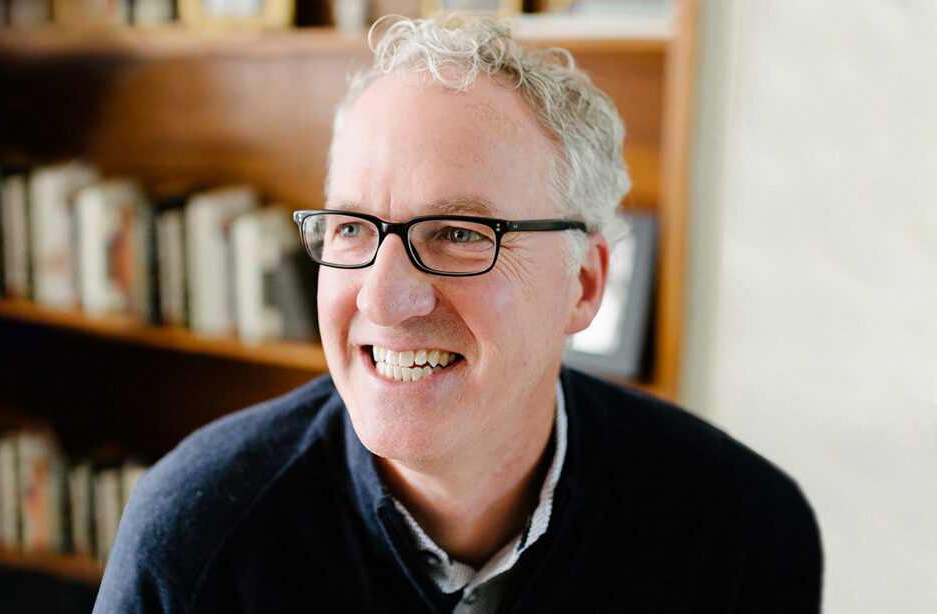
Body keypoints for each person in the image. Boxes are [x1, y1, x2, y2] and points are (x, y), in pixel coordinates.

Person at [94, 15, 822, 613]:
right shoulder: (194, 537)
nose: (382, 298)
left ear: (585, 284)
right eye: (351, 228)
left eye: (458, 235)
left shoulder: (744, 530)